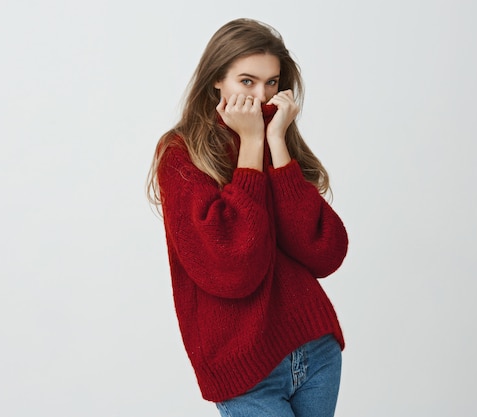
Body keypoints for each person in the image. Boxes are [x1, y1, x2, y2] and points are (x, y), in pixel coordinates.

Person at [146, 18, 348, 417]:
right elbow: (234, 266)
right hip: (245, 373)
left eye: (272, 83)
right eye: (247, 81)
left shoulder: (278, 135)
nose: (261, 96)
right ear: (216, 81)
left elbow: (325, 252)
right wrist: (252, 145)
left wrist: (276, 143)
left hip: (315, 347)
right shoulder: (180, 155)